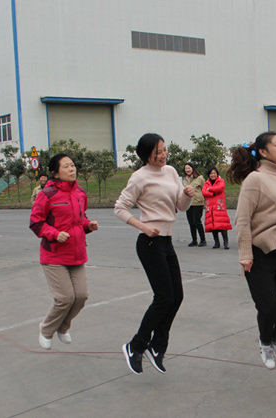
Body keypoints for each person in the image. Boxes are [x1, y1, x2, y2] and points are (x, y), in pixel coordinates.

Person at [115, 133, 194, 375]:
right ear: (146, 154)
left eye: (164, 150)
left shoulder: (170, 172)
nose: (163, 155)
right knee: (163, 298)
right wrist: (143, 226)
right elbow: (120, 208)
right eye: (157, 152)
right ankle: (136, 345)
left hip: (167, 241)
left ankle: (157, 346)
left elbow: (180, 207)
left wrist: (187, 196)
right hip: (150, 243)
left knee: (176, 296)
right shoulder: (139, 178)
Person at [228, 131, 276, 370]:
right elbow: (242, 219)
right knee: (270, 307)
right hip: (260, 252)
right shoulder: (255, 179)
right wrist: (245, 254)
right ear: (262, 151)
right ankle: (265, 343)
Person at [30, 154, 99, 350]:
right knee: (65, 298)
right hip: (54, 255)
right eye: (66, 166)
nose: (72, 169)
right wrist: (53, 233)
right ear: (55, 172)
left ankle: (63, 327)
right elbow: (35, 223)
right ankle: (46, 329)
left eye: (72, 165)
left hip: (76, 253)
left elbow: (80, 218)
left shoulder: (80, 193)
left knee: (82, 296)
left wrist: (89, 225)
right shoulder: (47, 194)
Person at [202, 167, 232, 249]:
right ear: (209, 175)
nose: (213, 175)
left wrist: (210, 189)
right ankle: (216, 242)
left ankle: (226, 242)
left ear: (217, 174)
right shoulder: (206, 183)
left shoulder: (221, 181)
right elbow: (204, 192)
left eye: (214, 173)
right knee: (213, 225)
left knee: (222, 224)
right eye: (211, 173)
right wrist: (213, 194)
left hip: (219, 206)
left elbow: (220, 188)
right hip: (210, 207)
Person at [182, 163, 206, 247]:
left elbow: (204, 189)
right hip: (188, 203)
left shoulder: (199, 178)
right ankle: (194, 240)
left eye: (189, 168)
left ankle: (203, 240)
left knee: (197, 221)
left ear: (192, 168)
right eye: (186, 169)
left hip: (198, 202)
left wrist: (205, 201)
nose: (187, 170)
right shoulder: (184, 179)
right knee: (191, 222)